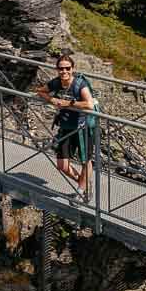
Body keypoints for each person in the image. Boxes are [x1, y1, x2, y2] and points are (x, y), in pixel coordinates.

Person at [35, 55, 96, 204]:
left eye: (67, 68)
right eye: (61, 68)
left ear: (72, 69)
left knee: (85, 160)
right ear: (57, 70)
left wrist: (68, 103)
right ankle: (85, 183)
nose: (64, 71)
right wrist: (52, 99)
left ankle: (81, 191)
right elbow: (41, 91)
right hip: (66, 127)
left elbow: (89, 104)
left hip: (82, 127)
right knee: (62, 165)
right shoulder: (56, 83)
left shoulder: (80, 84)